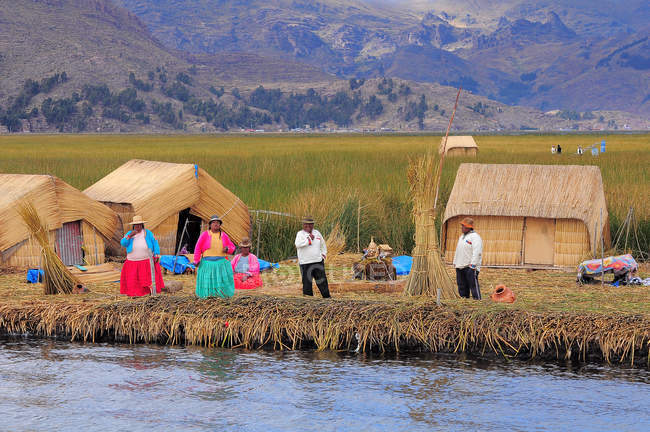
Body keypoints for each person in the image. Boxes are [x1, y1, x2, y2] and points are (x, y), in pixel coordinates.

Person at [119, 215, 164, 296]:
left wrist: (156, 253)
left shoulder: (148, 233)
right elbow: (123, 243)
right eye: (136, 225)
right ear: (133, 226)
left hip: (146, 261)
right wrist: (130, 236)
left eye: (139, 224)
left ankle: (147, 292)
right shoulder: (130, 233)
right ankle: (134, 293)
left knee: (146, 279)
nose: (137, 226)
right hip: (132, 262)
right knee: (133, 280)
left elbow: (155, 242)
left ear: (142, 225)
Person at [193, 215, 236, 298]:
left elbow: (232, 247)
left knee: (220, 280)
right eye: (214, 222)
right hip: (207, 263)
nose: (216, 224)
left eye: (218, 223)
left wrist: (227, 249)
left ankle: (221, 295)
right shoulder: (205, 235)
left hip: (221, 263)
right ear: (210, 225)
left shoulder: (224, 235)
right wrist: (196, 260)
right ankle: (208, 296)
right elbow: (198, 247)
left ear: (220, 225)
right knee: (208, 281)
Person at [295, 216, 330, 298]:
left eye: (310, 224)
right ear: (303, 225)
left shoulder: (317, 233)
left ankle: (327, 297)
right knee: (307, 282)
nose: (308, 226)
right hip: (305, 262)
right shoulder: (300, 234)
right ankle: (308, 299)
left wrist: (324, 254)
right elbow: (298, 245)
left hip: (318, 261)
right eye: (306, 224)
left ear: (313, 225)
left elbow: (323, 244)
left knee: (322, 281)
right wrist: (308, 240)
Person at [453, 217, 483, 300]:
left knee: (473, 285)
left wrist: (473, 265)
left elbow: (477, 252)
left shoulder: (475, 237)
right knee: (461, 285)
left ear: (469, 227)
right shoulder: (462, 237)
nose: (462, 228)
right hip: (460, 265)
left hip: (470, 266)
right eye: (462, 226)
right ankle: (464, 300)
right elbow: (458, 250)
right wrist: (455, 262)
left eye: (464, 226)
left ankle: (477, 301)